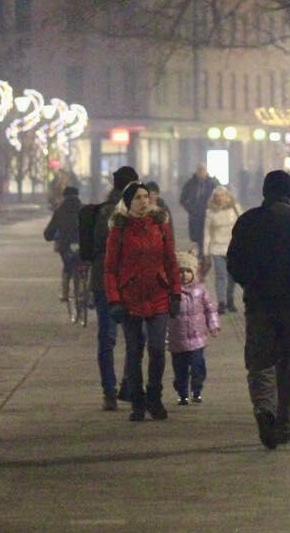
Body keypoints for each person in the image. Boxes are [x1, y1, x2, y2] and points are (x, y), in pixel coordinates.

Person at [227, 169, 290, 449]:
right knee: (287, 361)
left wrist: (251, 283)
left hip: (259, 302)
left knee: (259, 360)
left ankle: (264, 409)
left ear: (264, 191)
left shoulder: (248, 222)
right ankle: (284, 422)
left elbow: (234, 263)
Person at [104, 181, 182, 422]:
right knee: (134, 351)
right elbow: (110, 269)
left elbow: (170, 261)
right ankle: (137, 402)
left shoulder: (160, 225)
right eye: (137, 197)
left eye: (145, 196)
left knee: (158, 349)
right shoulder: (119, 229)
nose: (144, 200)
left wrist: (176, 293)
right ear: (128, 202)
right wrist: (114, 300)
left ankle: (155, 398)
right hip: (130, 299)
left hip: (158, 294)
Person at [81, 166, 138, 410]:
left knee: (107, 336)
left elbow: (93, 248)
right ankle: (127, 384)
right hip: (130, 280)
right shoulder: (129, 214)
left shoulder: (102, 211)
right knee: (135, 336)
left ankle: (109, 391)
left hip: (103, 281)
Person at [166, 249, 220, 405]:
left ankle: (197, 389)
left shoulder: (200, 291)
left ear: (194, 272)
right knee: (180, 369)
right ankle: (182, 393)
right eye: (180, 271)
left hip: (197, 339)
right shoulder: (171, 293)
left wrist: (213, 325)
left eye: (187, 271)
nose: (183, 275)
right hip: (177, 340)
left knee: (198, 366)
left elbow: (210, 309)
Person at [202, 185, 241, 312]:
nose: (220, 198)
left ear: (228, 196)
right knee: (221, 276)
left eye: (222, 195)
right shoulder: (210, 212)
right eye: (217, 196)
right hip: (217, 248)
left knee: (232, 277)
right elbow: (207, 232)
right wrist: (206, 252)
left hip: (233, 248)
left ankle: (230, 299)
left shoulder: (236, 209)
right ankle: (221, 302)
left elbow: (243, 227)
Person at [43, 184, 82, 304]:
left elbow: (50, 231)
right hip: (82, 244)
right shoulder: (84, 209)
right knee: (82, 265)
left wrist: (49, 236)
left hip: (65, 245)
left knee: (67, 266)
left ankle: (65, 293)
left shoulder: (60, 211)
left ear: (64, 196)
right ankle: (83, 291)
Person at [179, 164, 219, 252]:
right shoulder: (190, 184)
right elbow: (182, 199)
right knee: (198, 238)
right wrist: (190, 209)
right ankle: (202, 258)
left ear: (206, 171)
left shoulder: (213, 184)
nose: (201, 172)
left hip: (209, 216)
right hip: (195, 216)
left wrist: (214, 209)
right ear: (196, 171)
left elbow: (219, 198)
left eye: (203, 170)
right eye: (199, 170)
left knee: (208, 238)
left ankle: (204, 257)